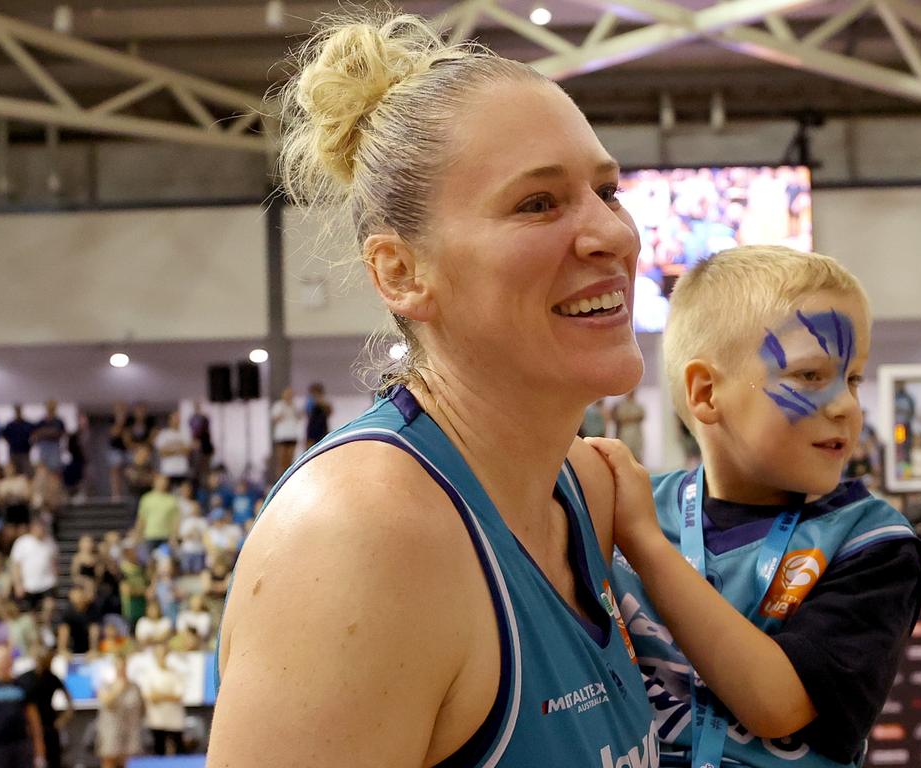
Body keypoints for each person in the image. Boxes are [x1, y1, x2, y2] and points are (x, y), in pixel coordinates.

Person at [209, 14, 656, 767]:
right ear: (400, 273)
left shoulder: (583, 488)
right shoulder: (362, 539)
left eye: (606, 190)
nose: (613, 234)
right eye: (538, 203)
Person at [601, 246, 921, 768]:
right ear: (707, 393)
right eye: (810, 377)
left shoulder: (874, 544)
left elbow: (778, 705)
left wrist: (645, 547)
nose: (845, 405)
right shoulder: (624, 509)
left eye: (853, 378)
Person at [19, 646, 72, 768]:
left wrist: (63, 719)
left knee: (53, 759)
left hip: (49, 725)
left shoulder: (52, 678)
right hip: (30, 727)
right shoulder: (25, 678)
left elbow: (69, 699)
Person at [95, 653, 143, 768]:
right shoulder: (106, 684)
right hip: (111, 731)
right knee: (109, 761)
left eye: (124, 667)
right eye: (119, 667)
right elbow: (105, 701)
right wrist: (117, 689)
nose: (122, 670)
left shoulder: (134, 686)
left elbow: (142, 708)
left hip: (130, 731)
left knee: (127, 762)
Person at [141, 644, 186, 756]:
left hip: (175, 722)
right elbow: (150, 696)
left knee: (179, 754)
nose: (162, 657)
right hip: (157, 721)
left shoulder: (175, 673)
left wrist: (160, 694)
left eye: (164, 654)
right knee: (158, 753)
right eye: (159, 654)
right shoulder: (149, 674)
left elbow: (178, 696)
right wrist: (167, 695)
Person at [9, 519, 59, 612]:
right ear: (32, 529)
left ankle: (46, 625)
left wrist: (55, 579)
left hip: (47, 583)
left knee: (49, 606)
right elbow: (16, 565)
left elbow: (54, 562)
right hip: (29, 584)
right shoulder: (22, 542)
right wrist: (18, 584)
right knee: (31, 611)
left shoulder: (50, 542)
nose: (41, 531)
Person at [270, 387, 301, 477]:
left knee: (290, 458)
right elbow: (275, 418)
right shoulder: (279, 405)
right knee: (282, 459)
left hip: (292, 434)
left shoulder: (294, 406)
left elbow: (298, 417)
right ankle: (280, 477)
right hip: (282, 436)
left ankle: (289, 476)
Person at [154, 411, 191, 486]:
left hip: (182, 469)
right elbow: (162, 453)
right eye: (174, 418)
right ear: (169, 420)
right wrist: (179, 450)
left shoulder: (185, 433)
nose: (176, 420)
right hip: (167, 470)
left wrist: (171, 449)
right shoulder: (163, 434)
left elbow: (187, 451)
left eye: (178, 418)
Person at [31, 401, 66, 474]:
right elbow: (36, 435)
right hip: (44, 448)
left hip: (54, 448)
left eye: (52, 407)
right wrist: (49, 432)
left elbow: (60, 433)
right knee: (43, 470)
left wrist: (45, 432)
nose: (50, 409)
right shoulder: (41, 422)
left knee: (55, 470)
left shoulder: (59, 421)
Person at [612, 390, 646, 462]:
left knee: (637, 453)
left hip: (636, 432)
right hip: (625, 432)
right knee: (626, 453)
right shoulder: (622, 405)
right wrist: (633, 417)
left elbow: (642, 416)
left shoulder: (638, 405)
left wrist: (631, 417)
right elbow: (621, 417)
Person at [2, 406, 35, 476]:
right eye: (17, 411)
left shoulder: (27, 425)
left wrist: (31, 444)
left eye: (19, 411)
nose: (18, 413)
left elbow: (35, 434)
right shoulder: (10, 425)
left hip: (25, 453)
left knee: (27, 474)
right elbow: (3, 435)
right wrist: (10, 442)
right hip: (13, 453)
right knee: (14, 474)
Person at [303, 382, 331, 449]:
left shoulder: (324, 401)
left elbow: (329, 412)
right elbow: (307, 413)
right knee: (310, 447)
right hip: (313, 427)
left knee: (323, 447)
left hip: (322, 427)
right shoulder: (310, 401)